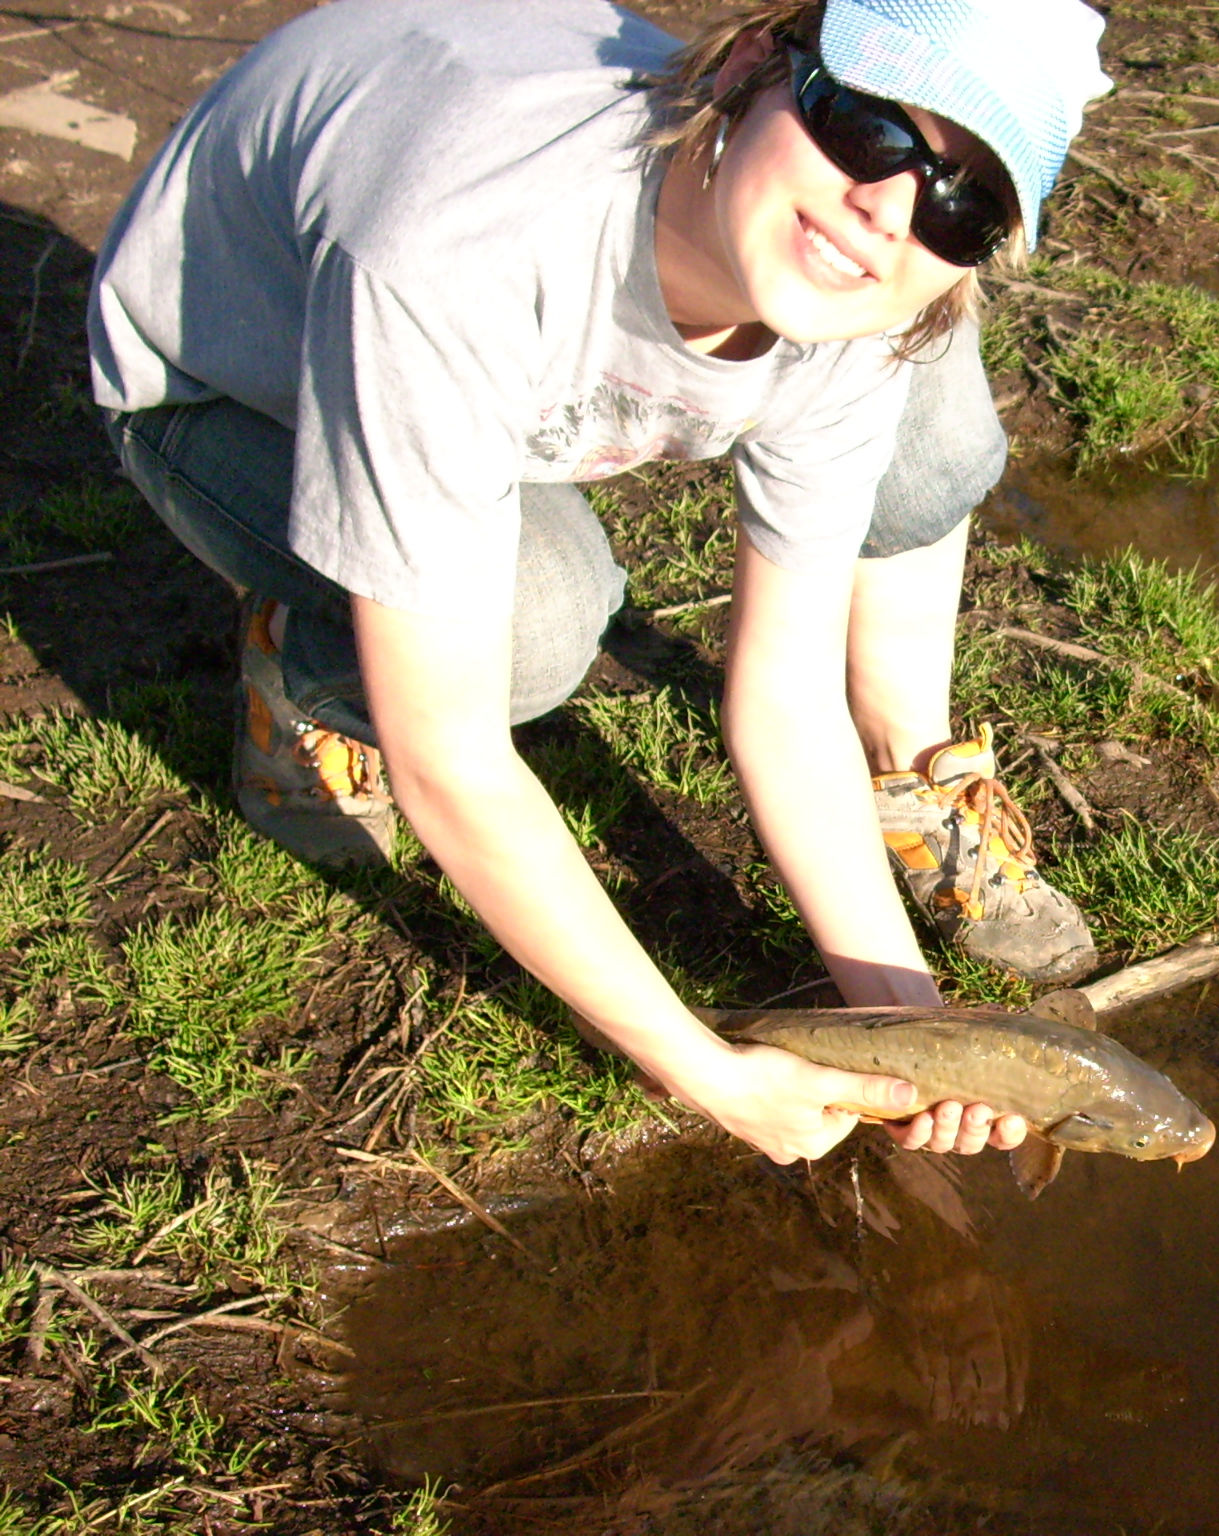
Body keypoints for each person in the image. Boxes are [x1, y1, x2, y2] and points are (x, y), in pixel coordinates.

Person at [87, 0, 1111, 1166]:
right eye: (870, 130)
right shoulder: (457, 248)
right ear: (751, 64)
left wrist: (924, 1037)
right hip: (222, 386)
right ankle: (304, 655)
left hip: (445, 306)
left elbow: (783, 700)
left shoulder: (866, 310)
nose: (886, 210)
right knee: (533, 618)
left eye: (963, 205)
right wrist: (706, 1070)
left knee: (927, 407)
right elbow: (453, 758)